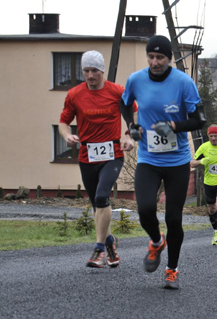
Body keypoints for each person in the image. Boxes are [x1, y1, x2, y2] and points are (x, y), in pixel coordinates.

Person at [120, 35, 206, 289]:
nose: (155, 62)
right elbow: (124, 104)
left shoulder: (183, 82)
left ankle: (171, 269)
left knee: (173, 218)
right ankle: (157, 242)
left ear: (169, 58)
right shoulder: (136, 79)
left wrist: (173, 125)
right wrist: (132, 126)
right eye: (151, 57)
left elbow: (199, 120)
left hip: (177, 160)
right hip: (148, 157)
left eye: (160, 57)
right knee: (145, 209)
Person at [59, 50, 135, 269]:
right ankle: (110, 243)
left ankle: (99, 250)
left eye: (94, 71)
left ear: (102, 71)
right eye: (86, 71)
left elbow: (133, 115)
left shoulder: (117, 92)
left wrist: (129, 136)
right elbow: (64, 121)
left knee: (102, 197)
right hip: (87, 155)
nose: (90, 76)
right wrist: (67, 136)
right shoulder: (74, 94)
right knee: (96, 206)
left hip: (112, 154)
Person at [190, 124, 217, 245]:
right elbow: (192, 163)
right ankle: (215, 230)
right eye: (211, 136)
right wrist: (201, 161)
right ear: (208, 136)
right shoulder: (204, 147)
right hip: (209, 182)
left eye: (215, 136)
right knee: (211, 209)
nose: (213, 139)